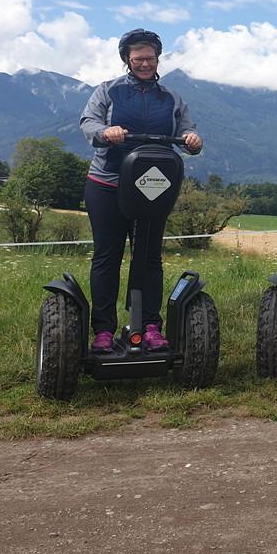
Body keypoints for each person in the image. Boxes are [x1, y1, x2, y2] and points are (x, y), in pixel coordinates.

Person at [80, 28, 203, 353]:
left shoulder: (171, 98)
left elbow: (187, 129)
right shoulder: (108, 91)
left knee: (149, 259)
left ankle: (150, 326)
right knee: (107, 257)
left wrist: (192, 139)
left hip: (152, 188)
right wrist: (107, 132)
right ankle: (103, 332)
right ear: (126, 60)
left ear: (157, 58)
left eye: (150, 58)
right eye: (138, 58)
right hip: (107, 184)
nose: (145, 63)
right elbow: (88, 123)